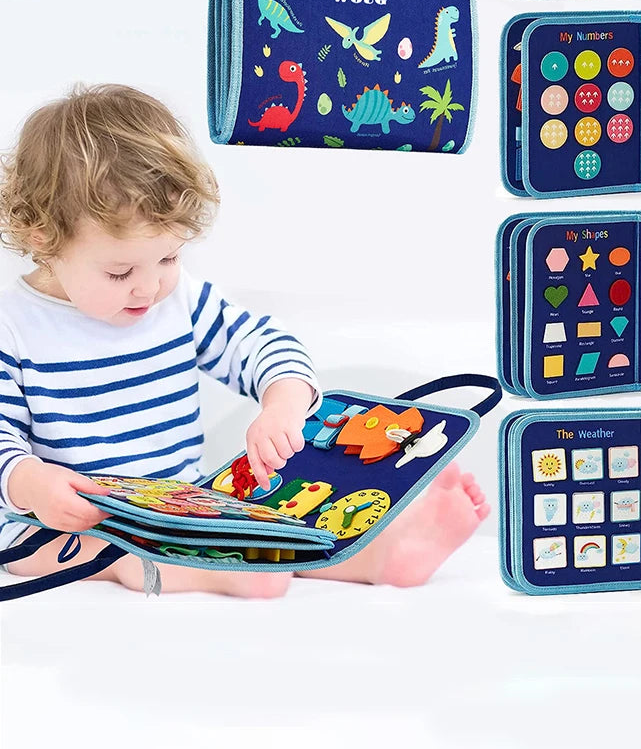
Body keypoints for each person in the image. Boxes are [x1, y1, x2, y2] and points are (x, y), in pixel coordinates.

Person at [0, 84, 488, 597]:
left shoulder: (177, 300)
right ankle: (176, 567)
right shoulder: (13, 328)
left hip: (184, 506)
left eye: (169, 259)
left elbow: (259, 343)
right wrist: (32, 482)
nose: (149, 287)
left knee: (272, 514)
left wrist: (282, 402)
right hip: (63, 521)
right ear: (44, 239)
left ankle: (375, 557)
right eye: (120, 272)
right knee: (104, 547)